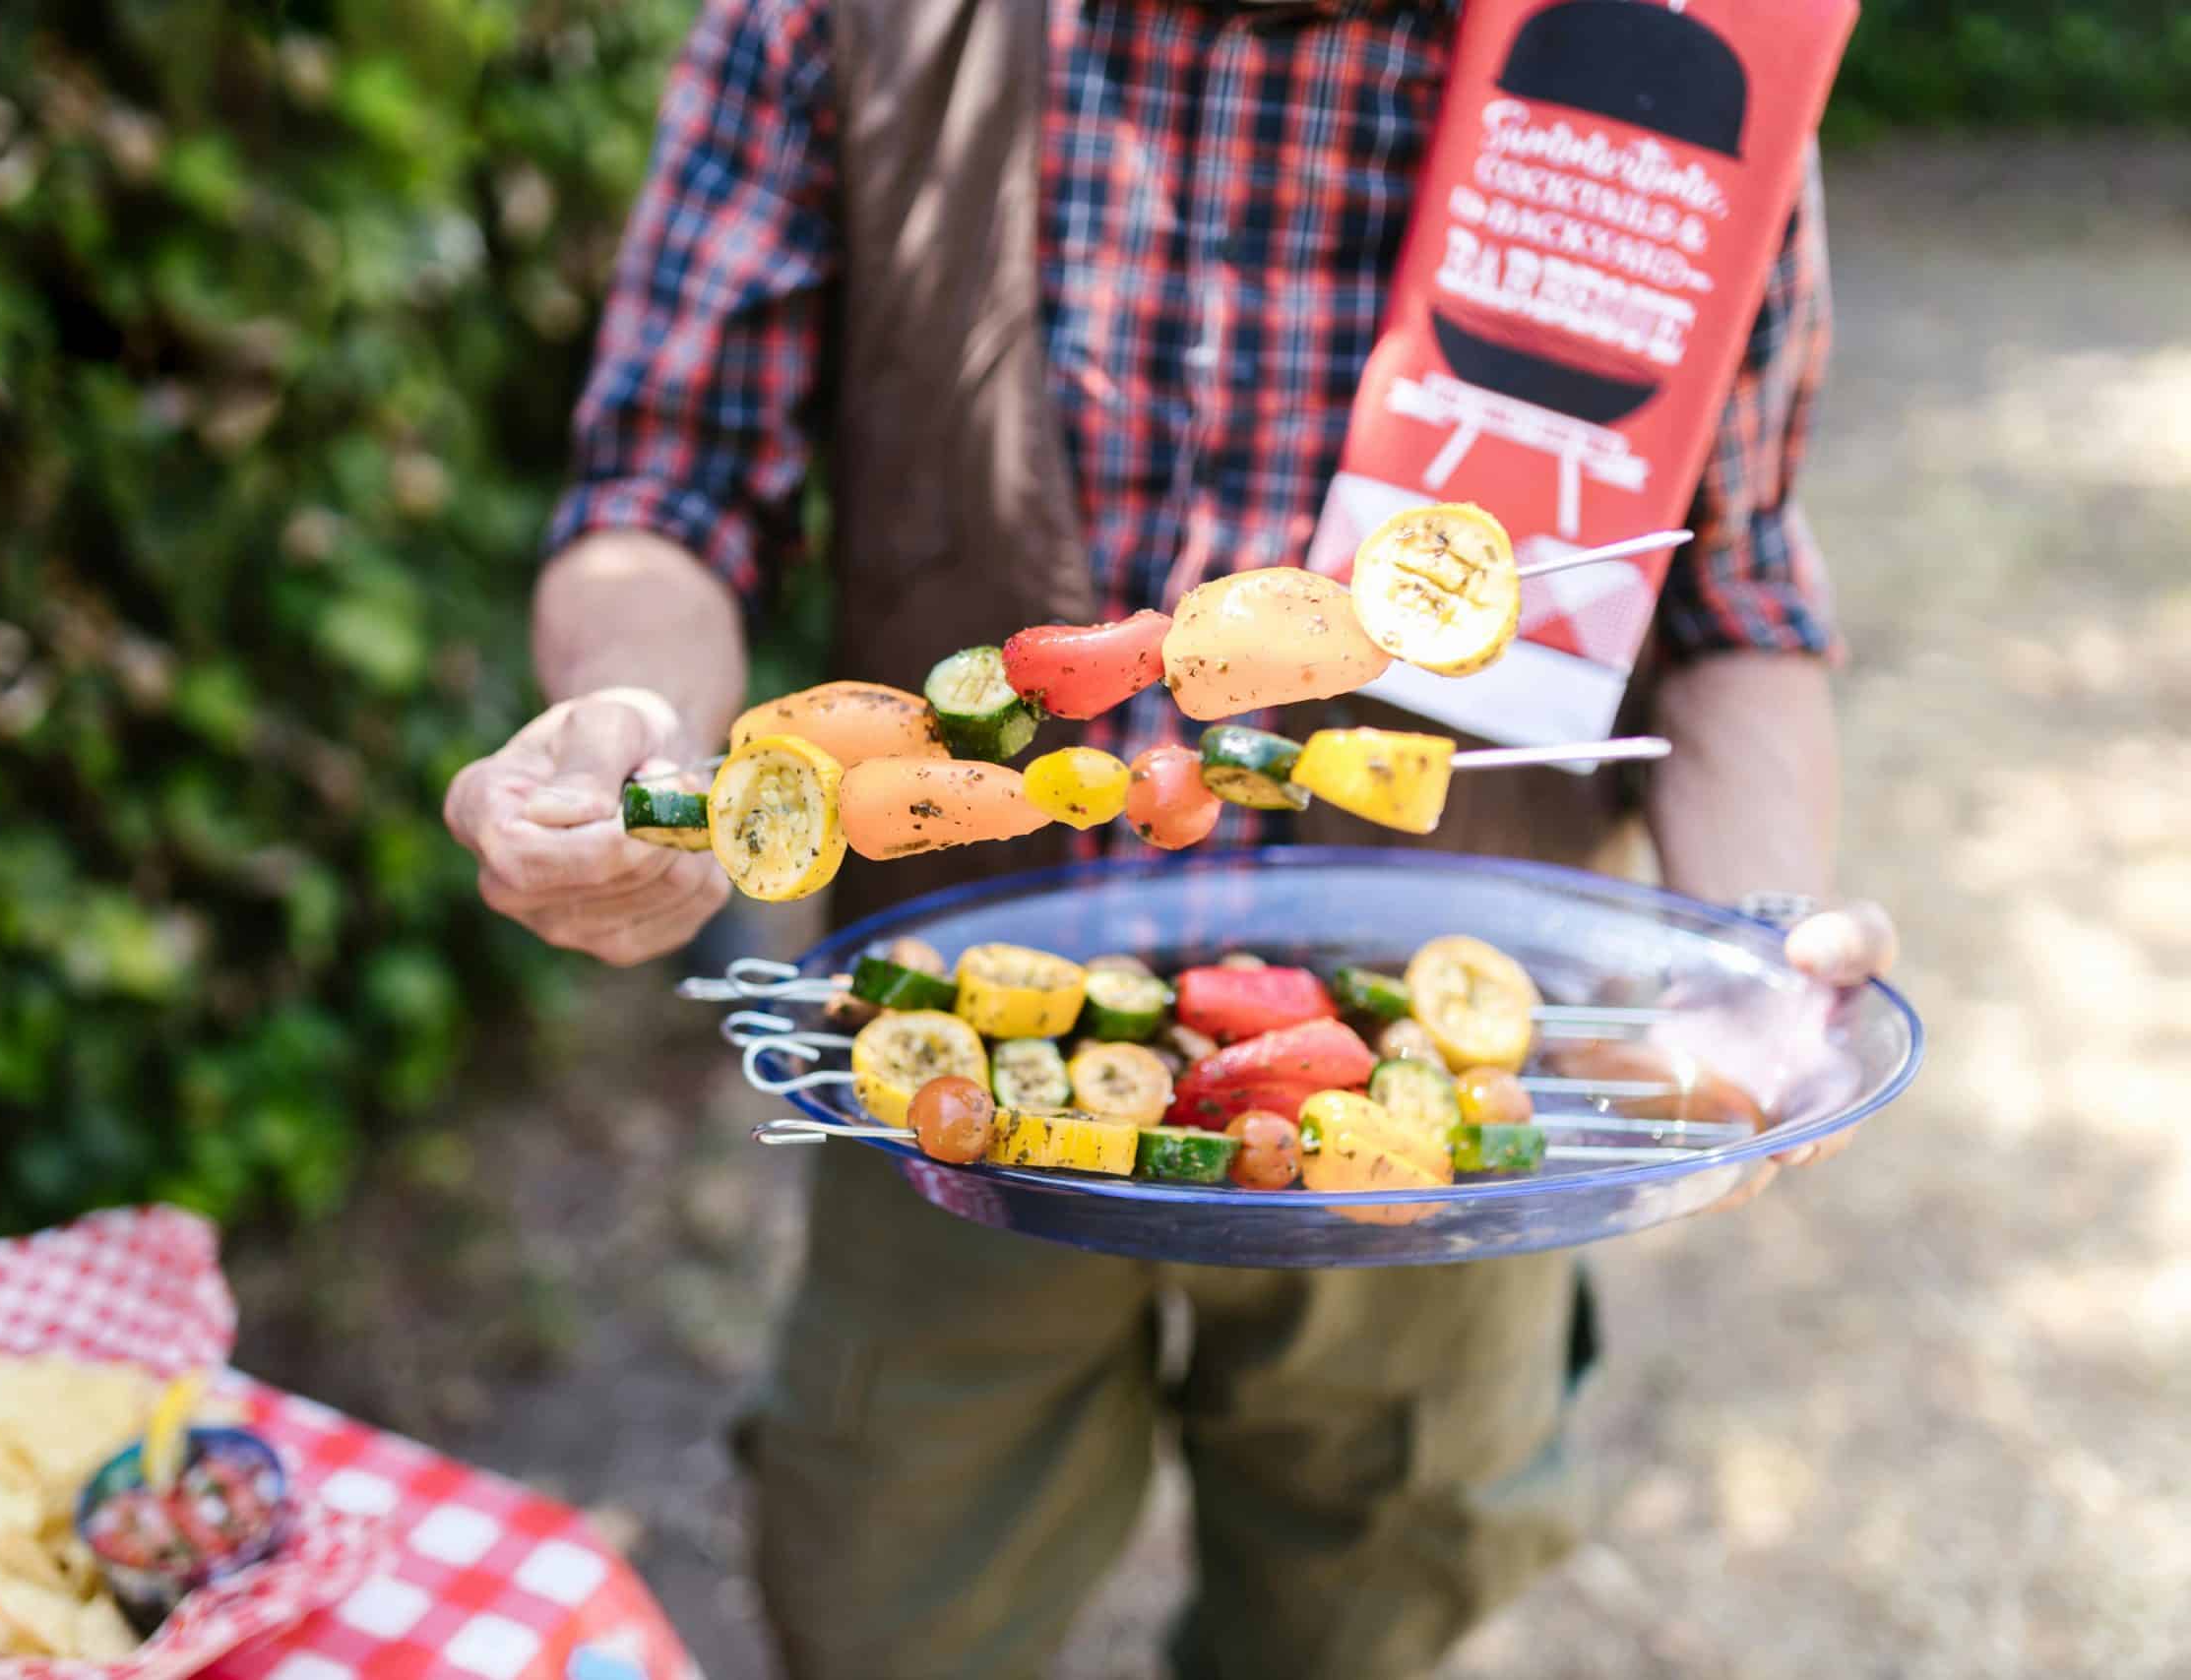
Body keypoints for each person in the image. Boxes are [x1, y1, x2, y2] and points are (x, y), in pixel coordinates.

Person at [446, 2, 1899, 1674]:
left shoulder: (1678, 62)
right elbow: (670, 495)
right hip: (957, 1069)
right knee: (886, 1596)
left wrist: (1750, 940)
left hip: (1442, 1082)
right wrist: (636, 729)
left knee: (1367, 1601)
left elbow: (1734, 594)